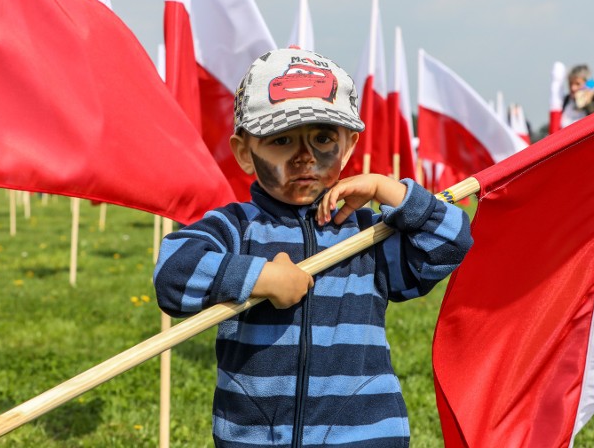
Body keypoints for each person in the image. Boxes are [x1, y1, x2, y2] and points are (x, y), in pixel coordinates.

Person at [153, 47, 473, 447]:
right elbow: (172, 273)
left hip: (365, 436)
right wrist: (260, 277)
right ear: (244, 154)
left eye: (323, 138)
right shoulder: (236, 227)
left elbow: (450, 243)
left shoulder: (367, 235)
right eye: (281, 139)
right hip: (255, 438)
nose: (305, 157)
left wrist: (388, 190)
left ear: (350, 144)